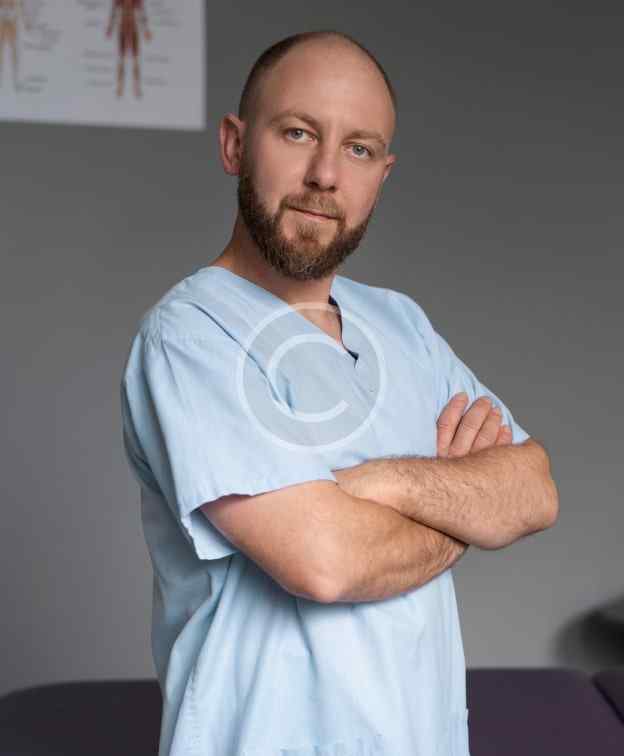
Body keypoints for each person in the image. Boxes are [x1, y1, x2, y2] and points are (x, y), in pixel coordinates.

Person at [119, 30, 559, 756]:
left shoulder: (403, 325)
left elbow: (534, 490)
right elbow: (327, 564)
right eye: (298, 133)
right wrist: (463, 507)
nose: (325, 174)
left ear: (382, 175)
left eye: (358, 148)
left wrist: (378, 484)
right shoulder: (190, 336)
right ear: (235, 145)